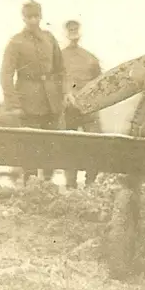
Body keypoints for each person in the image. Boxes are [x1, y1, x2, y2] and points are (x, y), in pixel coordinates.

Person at [0, 0, 65, 183]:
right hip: (28, 102)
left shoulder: (49, 38)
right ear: (23, 18)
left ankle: (48, 185)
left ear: (41, 16)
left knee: (51, 146)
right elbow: (6, 74)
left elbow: (60, 69)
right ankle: (30, 186)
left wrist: (64, 93)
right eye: (29, 17)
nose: (33, 21)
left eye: (36, 16)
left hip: (51, 102)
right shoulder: (16, 42)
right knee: (30, 147)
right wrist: (13, 104)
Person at [62, 19, 102, 188]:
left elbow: (100, 81)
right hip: (69, 109)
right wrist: (66, 93)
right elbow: (57, 79)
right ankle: (70, 184)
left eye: (75, 30)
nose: (73, 33)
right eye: (70, 30)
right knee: (69, 145)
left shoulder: (90, 58)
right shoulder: (60, 57)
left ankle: (90, 182)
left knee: (94, 143)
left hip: (89, 108)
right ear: (66, 33)